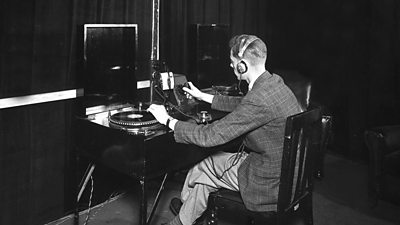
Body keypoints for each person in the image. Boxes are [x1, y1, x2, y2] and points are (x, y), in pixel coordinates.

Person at [147, 34, 302, 225]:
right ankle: (187, 214)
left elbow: (210, 136)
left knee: (204, 164)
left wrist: (169, 121)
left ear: (242, 65)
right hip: (286, 174)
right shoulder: (274, 83)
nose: (230, 66)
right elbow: (244, 104)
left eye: (232, 62)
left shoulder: (258, 99)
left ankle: (185, 213)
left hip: (267, 183)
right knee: (206, 175)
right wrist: (204, 97)